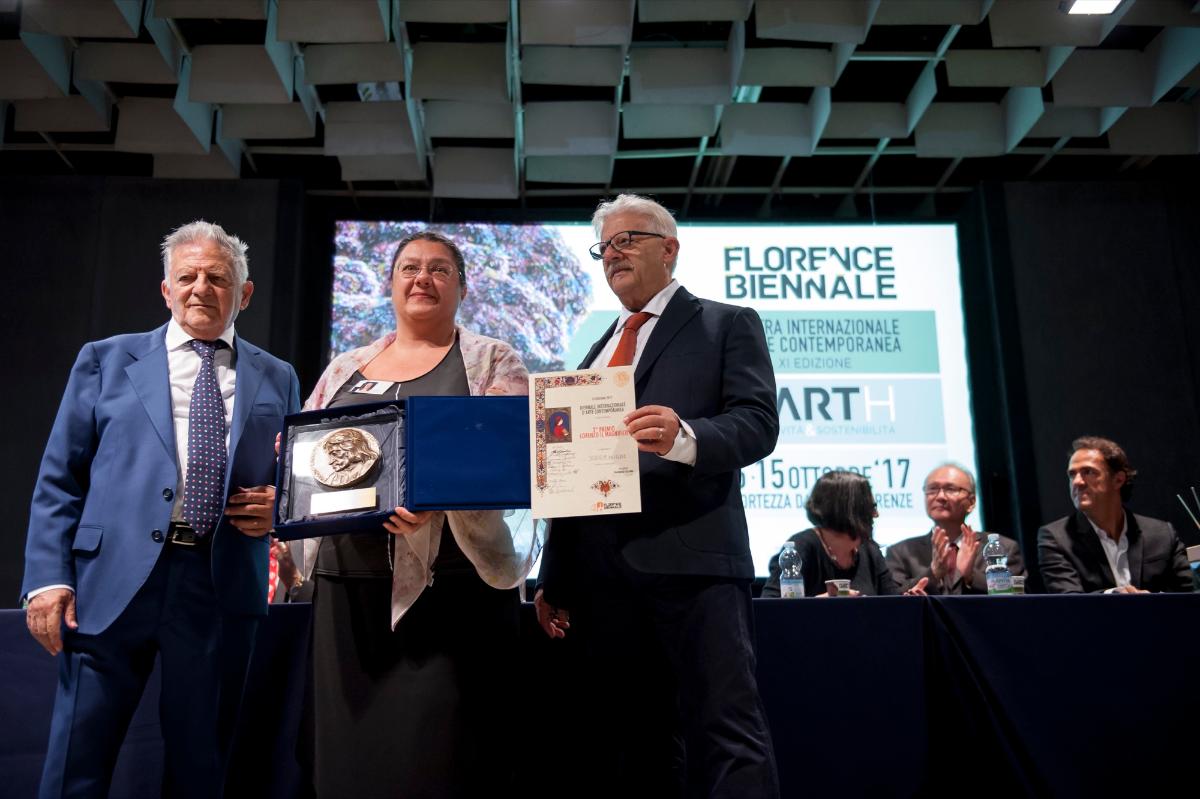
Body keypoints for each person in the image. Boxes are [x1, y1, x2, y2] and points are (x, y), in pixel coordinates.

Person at [21, 220, 300, 798]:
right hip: (108, 585)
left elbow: (294, 477)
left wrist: (282, 505)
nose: (201, 288)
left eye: (217, 278)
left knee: (203, 768)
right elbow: (59, 477)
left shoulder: (279, 376)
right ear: (166, 289)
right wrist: (47, 579)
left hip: (220, 586)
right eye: (187, 276)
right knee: (76, 760)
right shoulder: (104, 360)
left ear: (245, 294)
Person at [535, 194, 781, 798]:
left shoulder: (726, 323)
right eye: (604, 247)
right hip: (603, 579)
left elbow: (757, 423)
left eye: (628, 240)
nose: (613, 255)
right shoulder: (594, 351)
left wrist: (685, 436)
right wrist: (555, 576)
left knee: (725, 731)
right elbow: (570, 473)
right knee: (637, 741)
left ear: (669, 248)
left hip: (693, 566)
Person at [289, 231, 537, 798]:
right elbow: (309, 453)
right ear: (391, 284)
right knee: (350, 764)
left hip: (456, 590)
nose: (422, 278)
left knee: (446, 761)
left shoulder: (493, 360)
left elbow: (509, 454)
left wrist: (434, 500)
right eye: (409, 268)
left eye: (439, 269)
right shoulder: (346, 366)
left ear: (462, 288)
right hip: (348, 591)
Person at [1038, 436, 1192, 593]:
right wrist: (1114, 596)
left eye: (1088, 472)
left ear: (1118, 480)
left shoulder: (1163, 534)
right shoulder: (1056, 539)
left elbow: (1189, 595)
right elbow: (1069, 601)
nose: (1077, 482)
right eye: (1072, 474)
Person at [886, 462, 1024, 595]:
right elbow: (891, 599)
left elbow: (1019, 594)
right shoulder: (901, 553)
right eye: (932, 489)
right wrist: (933, 573)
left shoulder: (1003, 547)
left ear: (971, 502)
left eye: (950, 489)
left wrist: (971, 576)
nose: (940, 496)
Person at [763, 470, 900, 598]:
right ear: (848, 510)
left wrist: (907, 600)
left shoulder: (870, 550)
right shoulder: (801, 547)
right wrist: (820, 605)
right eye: (870, 507)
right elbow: (769, 608)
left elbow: (893, 604)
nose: (876, 514)